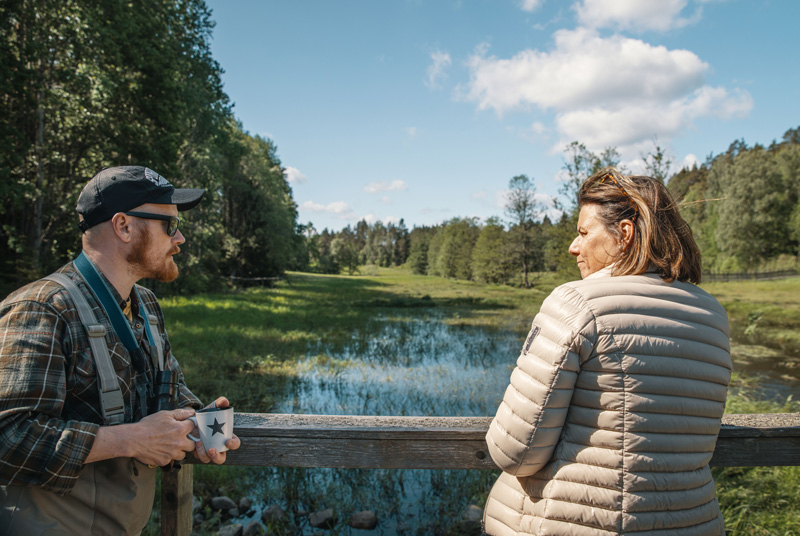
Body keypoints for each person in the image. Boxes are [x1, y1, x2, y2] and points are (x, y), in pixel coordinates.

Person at [483, 167, 732, 535]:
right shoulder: (712, 315)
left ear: (624, 235)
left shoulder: (575, 304)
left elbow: (515, 451)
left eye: (584, 232)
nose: (574, 246)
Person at [0, 166, 241, 535]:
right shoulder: (42, 308)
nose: (180, 238)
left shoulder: (145, 304)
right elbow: (8, 435)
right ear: (124, 226)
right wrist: (131, 439)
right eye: (169, 224)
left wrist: (199, 422)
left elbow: (169, 390)